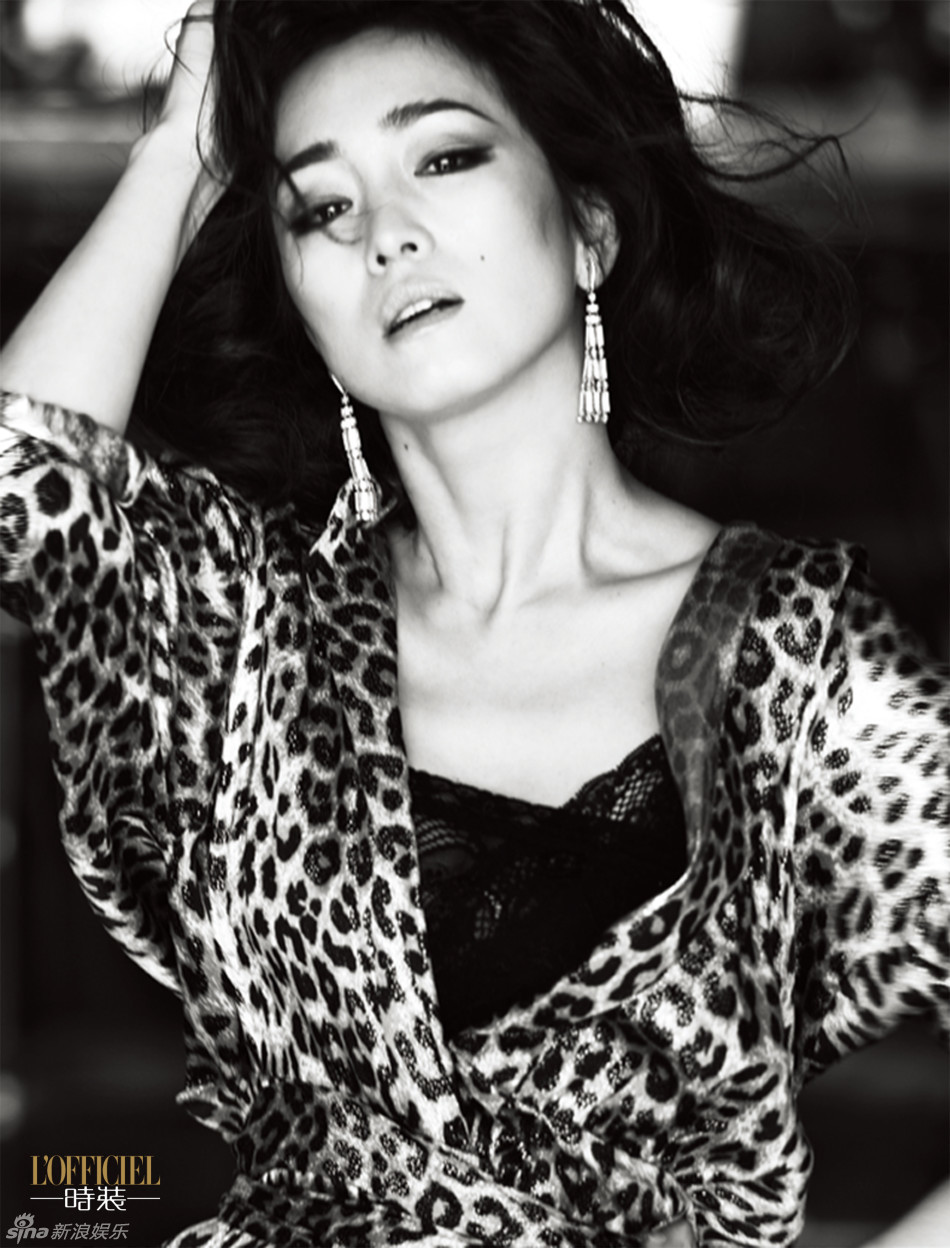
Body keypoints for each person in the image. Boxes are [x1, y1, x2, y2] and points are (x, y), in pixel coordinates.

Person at [0, 2, 946, 1246]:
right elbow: (22, 484)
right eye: (319, 208)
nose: (384, 233)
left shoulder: (788, 659)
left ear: (589, 230)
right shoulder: (249, 630)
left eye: (443, 157)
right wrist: (182, 146)